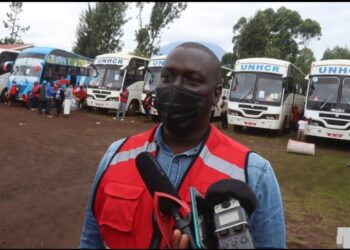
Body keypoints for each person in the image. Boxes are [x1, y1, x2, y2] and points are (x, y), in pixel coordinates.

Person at [79, 42, 286, 249]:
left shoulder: (254, 173)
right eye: (167, 77)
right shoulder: (116, 154)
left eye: (192, 80)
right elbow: (91, 240)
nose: (175, 87)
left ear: (216, 94)